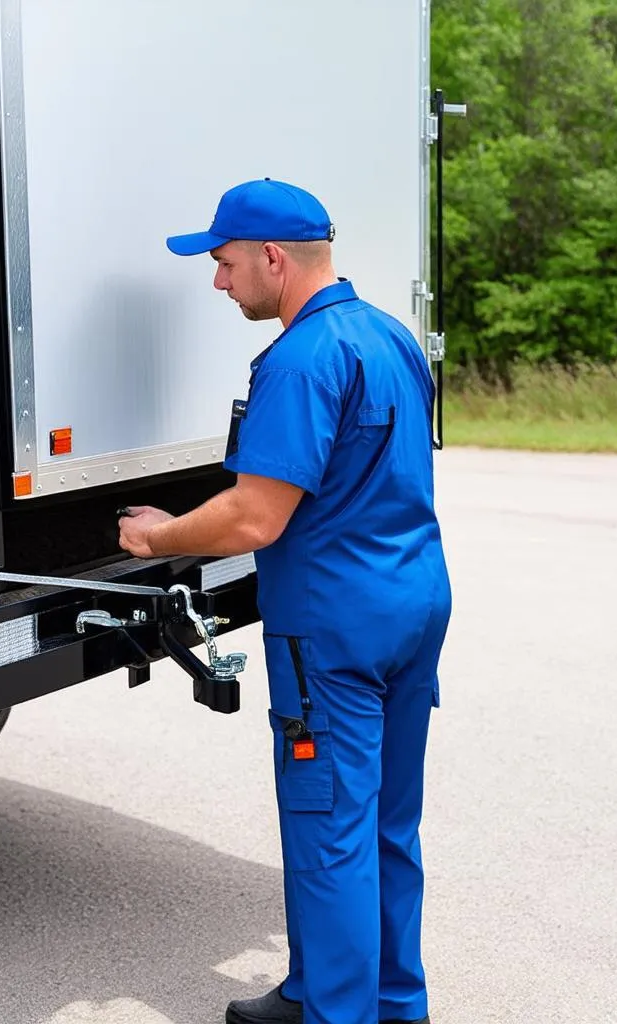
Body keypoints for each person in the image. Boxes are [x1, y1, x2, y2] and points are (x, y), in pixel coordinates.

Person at [118, 178, 451, 1024]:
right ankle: (374, 1000)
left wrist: (159, 536)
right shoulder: (390, 336)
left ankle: (337, 1014)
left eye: (225, 264)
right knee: (383, 824)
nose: (219, 282)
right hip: (409, 603)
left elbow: (255, 516)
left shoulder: (301, 359)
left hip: (333, 626)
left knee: (328, 829)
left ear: (273, 258)